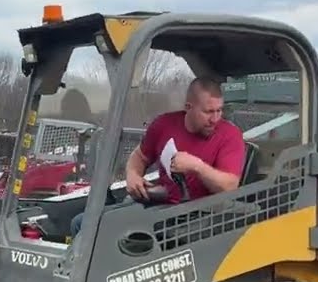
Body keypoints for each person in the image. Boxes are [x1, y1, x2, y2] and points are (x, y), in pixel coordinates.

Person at [69, 76, 246, 237]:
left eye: (219, 111)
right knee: (82, 223)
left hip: (200, 216)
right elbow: (139, 157)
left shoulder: (229, 135)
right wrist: (133, 175)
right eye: (208, 112)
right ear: (188, 108)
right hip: (160, 205)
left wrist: (196, 166)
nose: (215, 119)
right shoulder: (164, 125)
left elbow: (229, 186)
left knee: (116, 236)